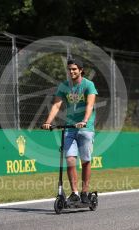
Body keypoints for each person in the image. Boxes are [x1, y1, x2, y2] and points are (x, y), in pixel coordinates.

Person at [42, 58, 98, 203]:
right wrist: (48, 122)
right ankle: (75, 193)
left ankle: (85, 192)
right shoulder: (64, 86)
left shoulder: (88, 85)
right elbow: (56, 106)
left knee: (85, 160)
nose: (71, 71)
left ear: (80, 70)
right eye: (69, 69)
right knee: (70, 159)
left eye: (74, 69)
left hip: (86, 127)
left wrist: (84, 121)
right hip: (70, 127)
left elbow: (90, 106)